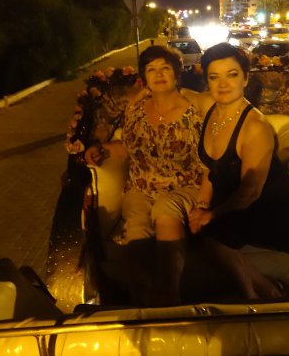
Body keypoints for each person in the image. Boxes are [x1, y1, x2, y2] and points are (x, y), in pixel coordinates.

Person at [85, 45, 203, 306]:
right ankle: (142, 299)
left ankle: (170, 294)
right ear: (144, 77)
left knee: (165, 210)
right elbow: (129, 146)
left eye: (165, 68)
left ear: (176, 74)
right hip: (142, 185)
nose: (158, 75)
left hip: (185, 184)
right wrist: (102, 150)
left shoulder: (195, 109)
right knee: (137, 228)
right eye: (151, 69)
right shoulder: (136, 110)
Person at [187, 42, 289, 300]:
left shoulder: (255, 127)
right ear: (207, 81)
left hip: (265, 211)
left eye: (232, 75)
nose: (223, 84)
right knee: (189, 231)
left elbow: (250, 192)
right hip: (232, 205)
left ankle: (258, 295)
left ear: (245, 78)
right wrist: (200, 205)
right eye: (214, 77)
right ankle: (261, 292)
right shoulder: (209, 109)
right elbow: (210, 169)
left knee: (206, 239)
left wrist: (211, 215)